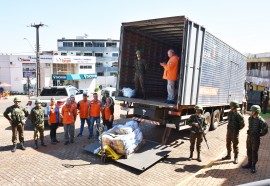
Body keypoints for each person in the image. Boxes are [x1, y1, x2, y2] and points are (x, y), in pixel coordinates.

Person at [242, 105, 268, 173]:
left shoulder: (260, 120)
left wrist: (260, 134)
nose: (251, 112)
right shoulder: (250, 118)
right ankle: (249, 163)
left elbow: (265, 129)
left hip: (256, 139)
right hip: (249, 137)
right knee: (249, 150)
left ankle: (253, 166)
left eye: (252, 111)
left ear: (256, 111)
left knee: (254, 152)